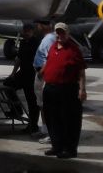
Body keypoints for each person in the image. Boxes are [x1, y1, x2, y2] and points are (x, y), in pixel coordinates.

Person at [41, 22, 87, 159]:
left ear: (68, 34)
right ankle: (57, 146)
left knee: (69, 120)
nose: (60, 35)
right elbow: (49, 63)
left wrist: (82, 89)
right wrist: (42, 75)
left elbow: (81, 71)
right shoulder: (53, 47)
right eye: (58, 32)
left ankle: (70, 149)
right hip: (50, 88)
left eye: (62, 32)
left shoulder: (74, 50)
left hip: (68, 89)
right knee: (52, 119)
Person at [3, 23, 40, 133]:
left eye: (28, 31)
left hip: (32, 74)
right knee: (8, 84)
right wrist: (13, 73)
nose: (26, 33)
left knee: (31, 101)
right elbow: (18, 59)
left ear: (33, 32)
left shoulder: (36, 43)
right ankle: (17, 110)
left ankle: (33, 125)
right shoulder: (23, 42)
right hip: (23, 72)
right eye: (25, 31)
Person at [33, 19, 56, 144]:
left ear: (42, 26)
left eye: (39, 24)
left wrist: (41, 72)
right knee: (42, 105)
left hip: (44, 76)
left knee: (46, 106)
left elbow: (50, 58)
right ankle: (45, 130)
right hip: (43, 75)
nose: (37, 26)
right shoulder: (50, 37)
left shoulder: (48, 39)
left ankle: (50, 133)